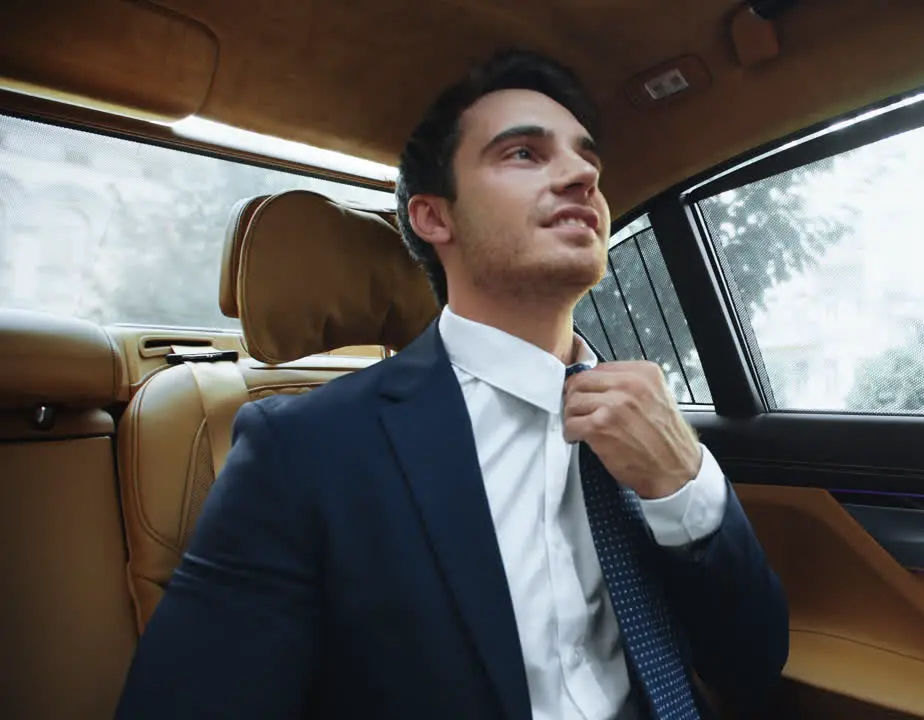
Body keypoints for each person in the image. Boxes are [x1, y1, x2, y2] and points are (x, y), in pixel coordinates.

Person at [115, 50, 788, 719]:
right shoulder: (301, 451)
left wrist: (686, 483)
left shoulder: (648, 424)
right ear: (434, 217)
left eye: (588, 160)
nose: (583, 174)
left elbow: (751, 665)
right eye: (524, 153)